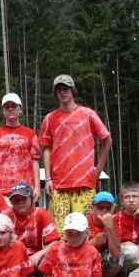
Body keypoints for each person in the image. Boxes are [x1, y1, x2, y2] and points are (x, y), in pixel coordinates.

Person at [39, 75, 112, 235]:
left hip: (84, 182)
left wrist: (99, 168)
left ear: (72, 90)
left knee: (83, 230)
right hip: (58, 184)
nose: (62, 92)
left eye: (65, 89)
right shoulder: (50, 118)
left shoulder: (88, 114)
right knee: (59, 232)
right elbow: (47, 149)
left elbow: (106, 139)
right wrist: (48, 179)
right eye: (58, 90)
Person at [0, 93, 41, 204]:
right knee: (3, 216)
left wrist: (37, 187)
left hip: (26, 190)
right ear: (3, 111)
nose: (10, 109)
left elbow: (35, 161)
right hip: (1, 191)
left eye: (14, 106)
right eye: (7, 107)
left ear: (20, 109)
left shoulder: (31, 133)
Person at [5, 182, 60, 277]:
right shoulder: (5, 215)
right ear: (11, 202)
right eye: (16, 199)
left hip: (33, 258)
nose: (20, 202)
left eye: (24, 198)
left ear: (31, 198)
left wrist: (38, 254)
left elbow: (55, 242)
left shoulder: (40, 213)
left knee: (55, 255)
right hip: (11, 258)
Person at [87, 191, 123, 277]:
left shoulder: (113, 224)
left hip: (102, 261)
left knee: (120, 257)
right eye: (100, 207)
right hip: (85, 261)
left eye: (108, 208)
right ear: (92, 208)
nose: (104, 210)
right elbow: (70, 249)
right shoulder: (83, 221)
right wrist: (93, 242)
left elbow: (116, 254)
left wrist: (109, 227)